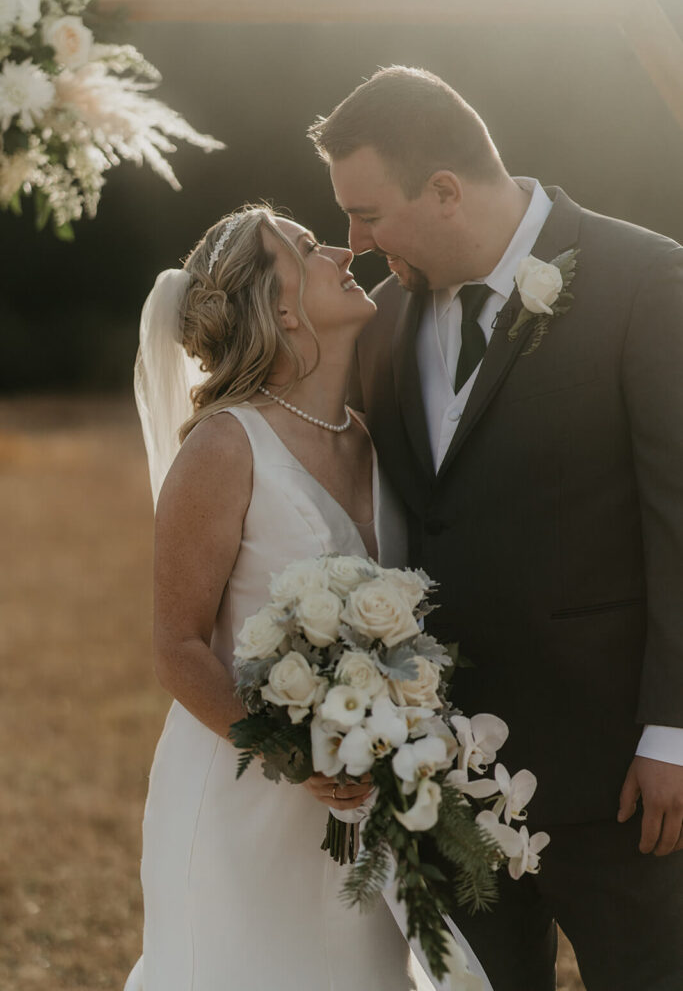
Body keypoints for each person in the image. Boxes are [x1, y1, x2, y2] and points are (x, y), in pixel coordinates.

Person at [307, 65, 683, 991]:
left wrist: (672, 733)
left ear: (443, 189)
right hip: (447, 776)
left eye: (366, 214)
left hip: (619, 776)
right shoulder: (386, 316)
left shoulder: (647, 281)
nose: (351, 244)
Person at [124, 205, 420, 991]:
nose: (333, 248)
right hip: (243, 806)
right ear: (282, 308)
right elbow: (176, 646)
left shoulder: (372, 435)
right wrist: (295, 752)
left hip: (362, 805)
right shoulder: (224, 443)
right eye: (301, 245)